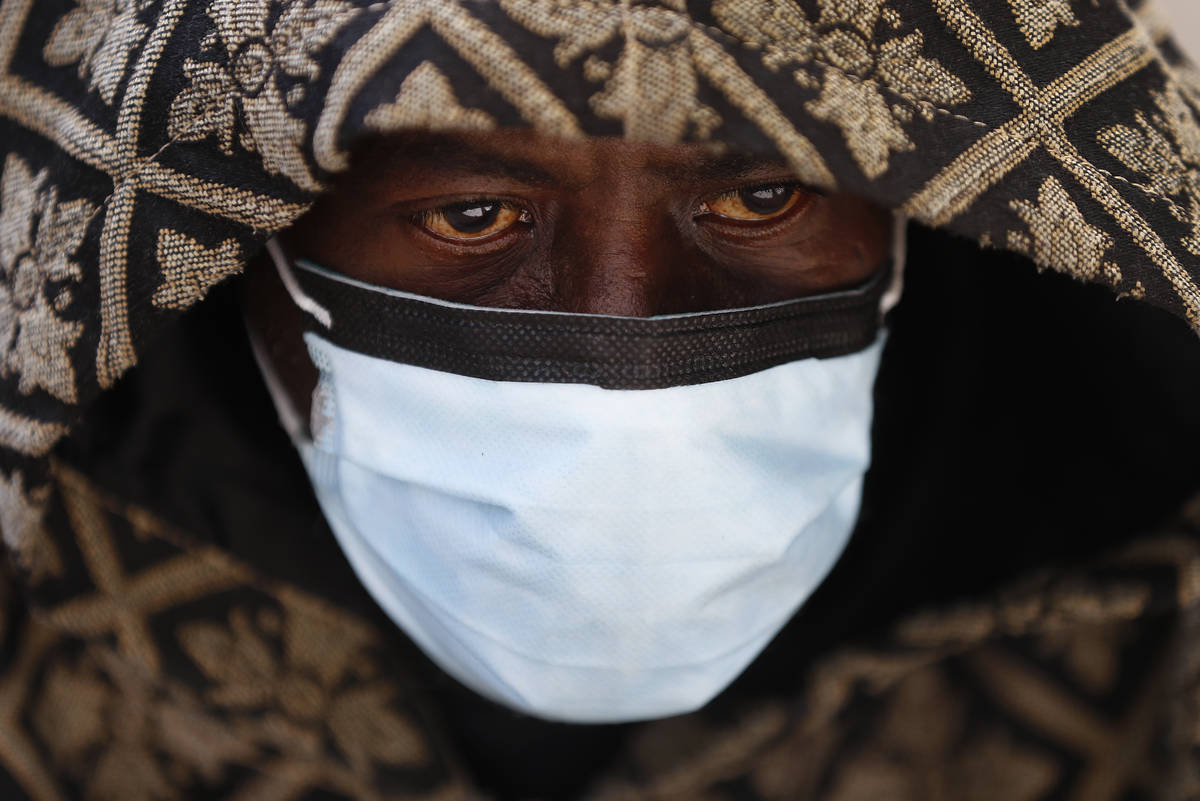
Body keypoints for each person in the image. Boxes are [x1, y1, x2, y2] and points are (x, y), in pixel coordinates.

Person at [3, 1, 1200, 799]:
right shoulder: (42, 640)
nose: (624, 362)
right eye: (473, 216)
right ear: (226, 224)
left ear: (917, 206)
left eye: (764, 201)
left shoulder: (1146, 616)